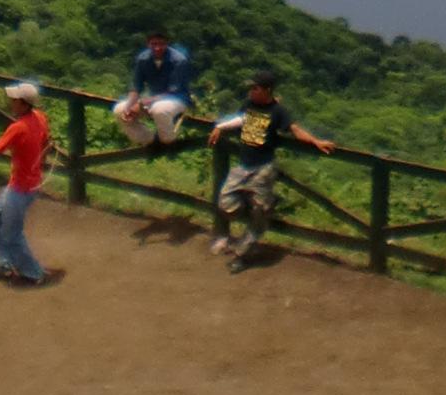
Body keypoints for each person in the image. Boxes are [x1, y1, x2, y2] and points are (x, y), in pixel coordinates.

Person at [205, 71, 333, 273]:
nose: (251, 91)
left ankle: (242, 254)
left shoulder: (278, 111)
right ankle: (266, 206)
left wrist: (316, 141)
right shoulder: (248, 105)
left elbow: (295, 130)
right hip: (243, 165)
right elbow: (237, 120)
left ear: (267, 90)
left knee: (259, 213)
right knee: (225, 204)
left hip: (263, 167)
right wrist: (220, 128)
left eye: (255, 88)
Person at [0, 81, 51, 287]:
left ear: (23, 103)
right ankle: (4, 264)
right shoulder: (40, 118)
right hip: (27, 184)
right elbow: (47, 140)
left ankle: (34, 272)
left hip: (20, 188)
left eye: (14, 100)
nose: (11, 102)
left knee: (11, 233)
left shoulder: (17, 128)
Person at [116, 30, 194, 152]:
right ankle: (150, 141)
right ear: (148, 44)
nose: (157, 48)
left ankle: (168, 142)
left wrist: (141, 103)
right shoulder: (143, 59)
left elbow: (172, 91)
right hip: (153, 100)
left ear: (167, 44)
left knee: (160, 110)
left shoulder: (179, 60)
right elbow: (136, 87)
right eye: (154, 44)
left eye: (161, 44)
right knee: (119, 110)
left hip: (178, 99)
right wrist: (129, 106)